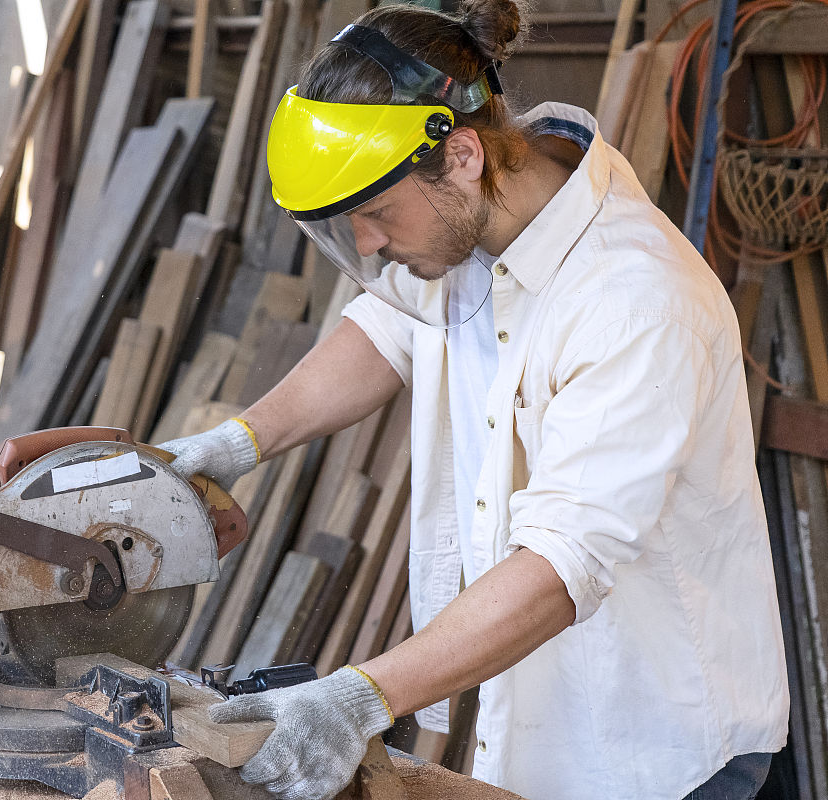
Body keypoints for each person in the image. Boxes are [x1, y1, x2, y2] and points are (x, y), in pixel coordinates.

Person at [157, 2, 789, 799]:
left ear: (458, 154)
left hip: (654, 750)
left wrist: (357, 699)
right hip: (540, 718)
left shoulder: (636, 304)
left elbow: (563, 564)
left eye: (376, 214)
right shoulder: (477, 227)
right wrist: (233, 446)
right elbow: (386, 328)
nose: (369, 245)